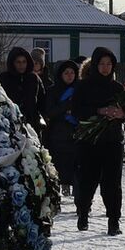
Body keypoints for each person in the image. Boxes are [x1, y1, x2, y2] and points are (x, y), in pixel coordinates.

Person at [71, 48, 125, 234]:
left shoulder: (118, 88)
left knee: (112, 183)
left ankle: (113, 221)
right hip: (89, 142)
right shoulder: (83, 86)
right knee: (87, 180)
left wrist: (122, 113)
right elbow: (77, 111)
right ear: (95, 65)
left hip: (112, 141)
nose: (105, 68)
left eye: (109, 64)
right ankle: (83, 214)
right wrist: (99, 111)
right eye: (102, 64)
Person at [45, 59, 82, 191]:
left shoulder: (79, 89)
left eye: (72, 72)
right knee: (59, 165)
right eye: (66, 73)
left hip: (76, 133)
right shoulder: (53, 91)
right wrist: (66, 106)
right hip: (58, 135)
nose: (70, 75)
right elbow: (50, 111)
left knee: (76, 165)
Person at [0, 47, 45, 133]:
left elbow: (42, 101)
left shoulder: (34, 78)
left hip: (31, 125)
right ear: (13, 63)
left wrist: (39, 118)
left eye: (24, 62)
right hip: (10, 124)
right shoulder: (3, 79)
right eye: (18, 62)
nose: (21, 65)